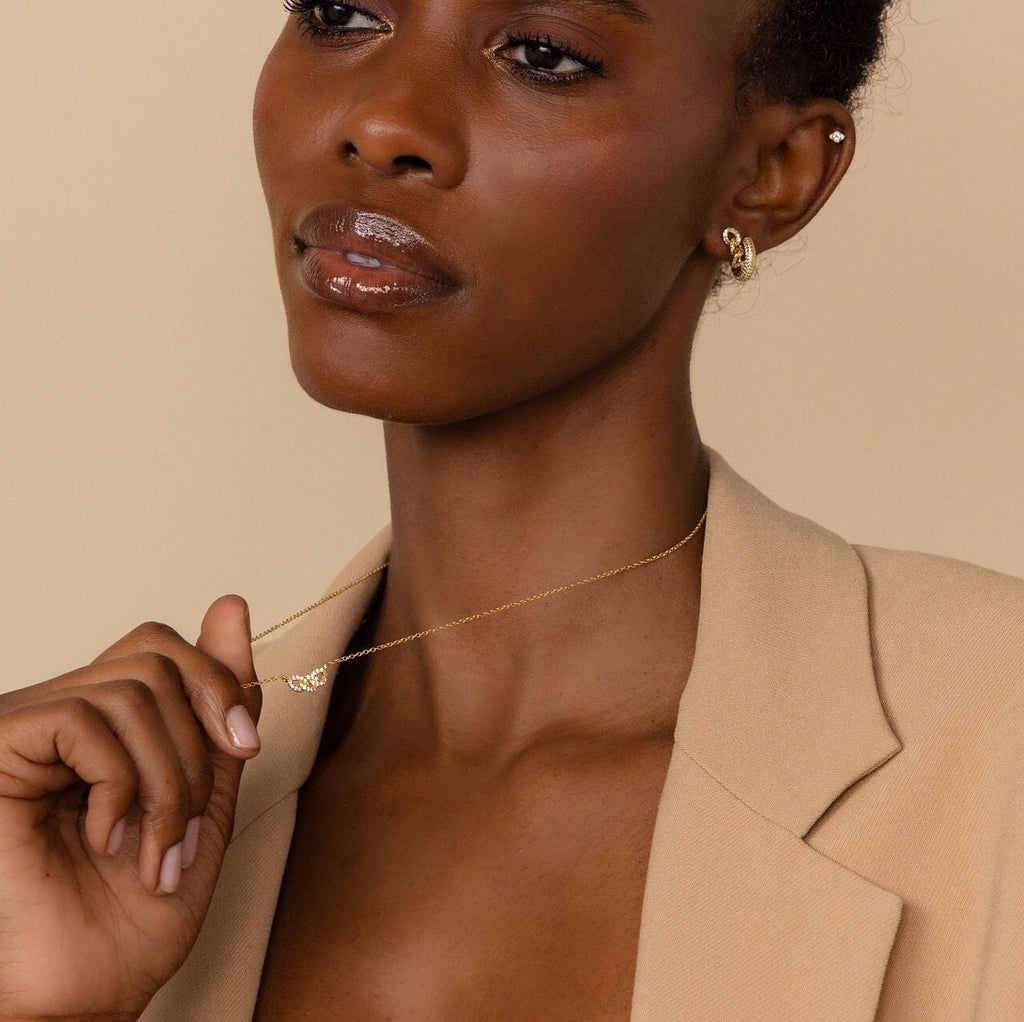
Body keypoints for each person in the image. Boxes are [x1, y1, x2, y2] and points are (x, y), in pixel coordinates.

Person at [0, 1, 1021, 1020]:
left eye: (543, 54)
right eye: (340, 12)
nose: (383, 121)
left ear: (773, 171)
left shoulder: (990, 755)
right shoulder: (120, 825)